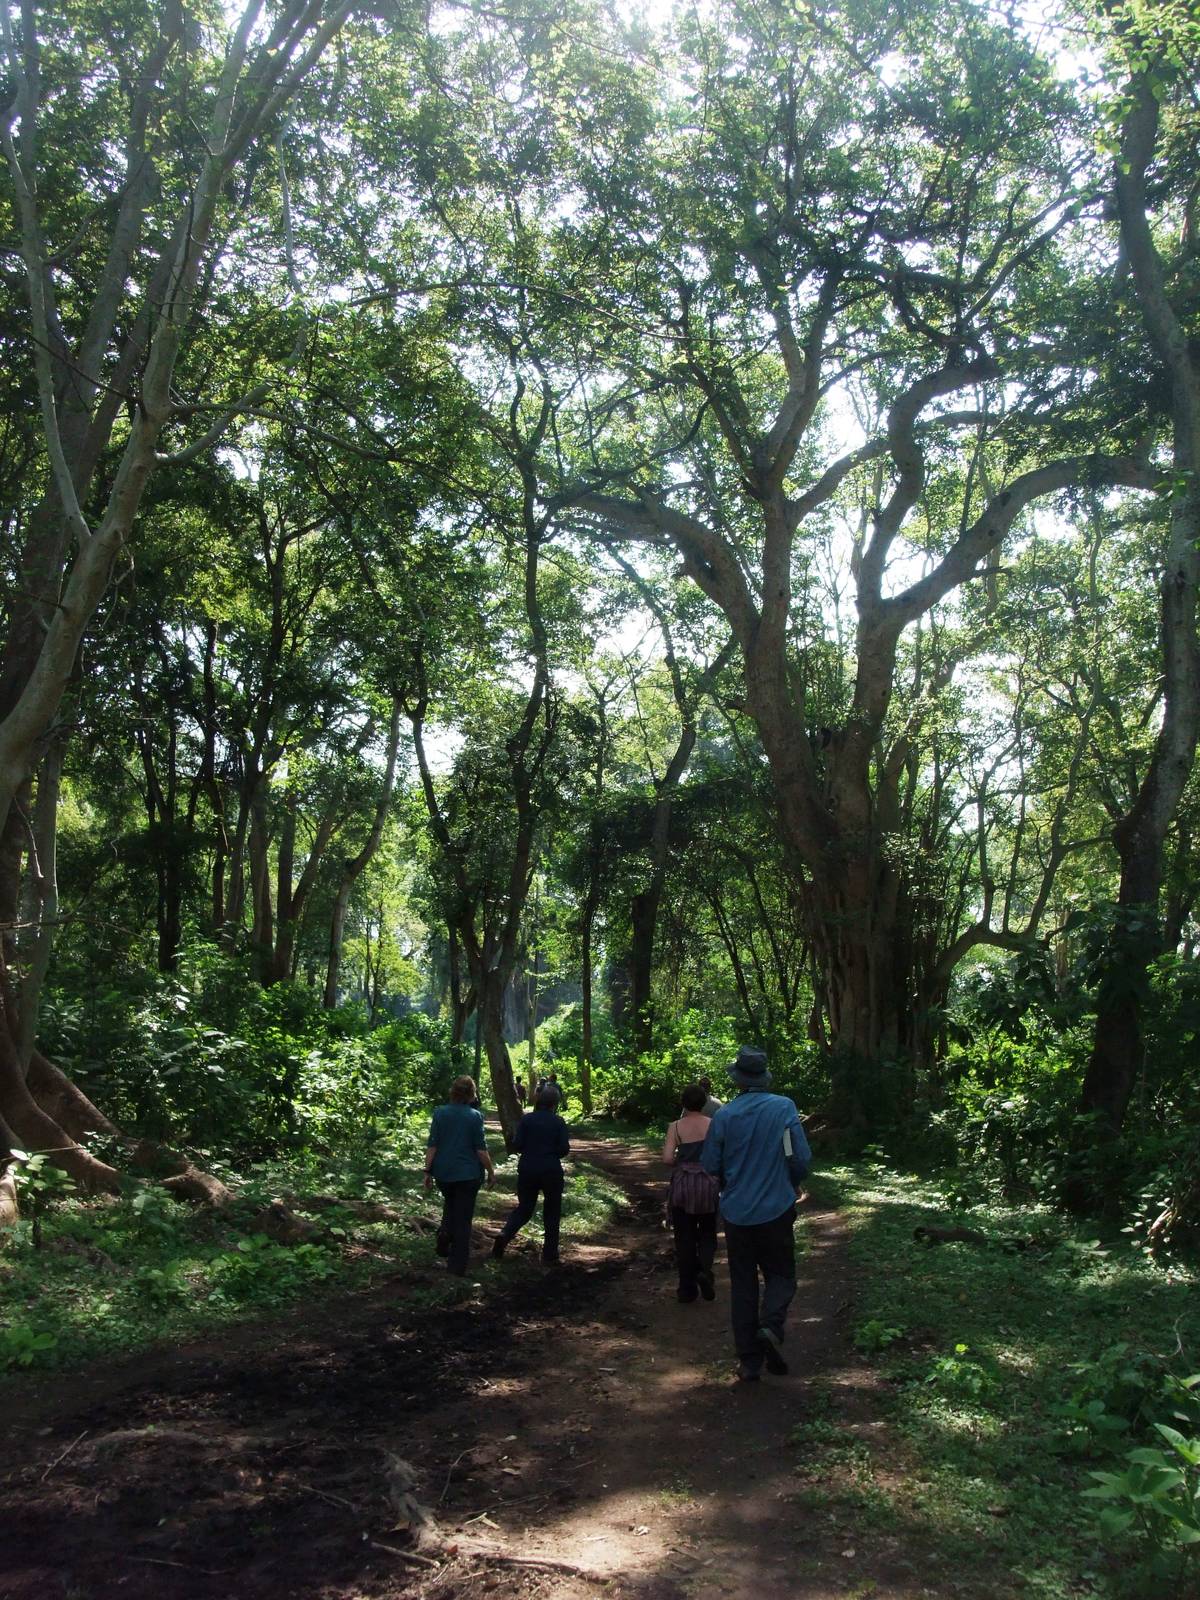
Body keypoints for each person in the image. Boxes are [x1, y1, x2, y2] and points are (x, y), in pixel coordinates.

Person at [700, 1046, 811, 1382]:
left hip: (737, 1213)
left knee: (743, 1284)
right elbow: (800, 1157)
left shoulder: (725, 1115)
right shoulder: (784, 1107)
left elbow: (710, 1165)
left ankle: (749, 1362)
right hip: (776, 1209)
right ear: (764, 1077)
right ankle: (771, 1324)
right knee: (781, 1274)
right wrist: (791, 1182)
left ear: (738, 1080)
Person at [425, 1075, 495, 1276]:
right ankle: (457, 1267)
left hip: (444, 1173)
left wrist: (427, 1171)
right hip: (468, 1174)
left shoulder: (440, 1113)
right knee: (464, 1219)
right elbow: (480, 1150)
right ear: (472, 1093)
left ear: (453, 1091)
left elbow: (432, 1145)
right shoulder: (475, 1116)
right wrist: (491, 1172)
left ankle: (445, 1233)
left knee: (450, 1204)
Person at [492, 1086, 570, 1263]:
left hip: (528, 1168)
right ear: (555, 1104)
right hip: (551, 1170)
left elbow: (517, 1144)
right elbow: (564, 1148)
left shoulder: (527, 1120)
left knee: (525, 1208)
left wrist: (530, 1151)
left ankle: (505, 1234)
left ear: (539, 1101)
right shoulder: (558, 1122)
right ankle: (550, 1255)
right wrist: (551, 1153)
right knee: (552, 1211)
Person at [663, 1084, 720, 1303]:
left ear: (683, 1103)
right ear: (704, 1103)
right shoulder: (713, 1124)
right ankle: (704, 1269)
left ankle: (686, 1290)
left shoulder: (675, 1127)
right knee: (707, 1232)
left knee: (684, 1237)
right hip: (708, 1184)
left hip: (684, 1185)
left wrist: (683, 1162)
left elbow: (667, 1159)